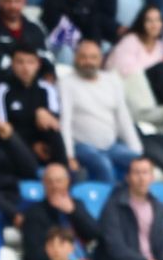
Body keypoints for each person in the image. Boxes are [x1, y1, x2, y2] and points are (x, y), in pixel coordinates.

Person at [59, 38, 140, 183]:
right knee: (103, 165)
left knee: (139, 165)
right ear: (75, 58)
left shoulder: (112, 81)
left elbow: (123, 118)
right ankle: (111, 204)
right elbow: (64, 122)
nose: (88, 61)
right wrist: (68, 156)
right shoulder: (66, 83)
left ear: (101, 59)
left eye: (93, 57)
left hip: (111, 145)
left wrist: (137, 151)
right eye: (83, 57)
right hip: (82, 146)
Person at [20, 162, 99, 260]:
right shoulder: (34, 213)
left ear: (67, 182)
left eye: (59, 181)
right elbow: (34, 254)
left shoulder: (76, 205)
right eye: (50, 182)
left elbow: (94, 234)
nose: (55, 186)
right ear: (43, 184)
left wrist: (73, 212)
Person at [0, 43, 65, 168]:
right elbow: (3, 127)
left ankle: (63, 170)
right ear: (12, 65)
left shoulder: (47, 89)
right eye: (20, 62)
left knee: (49, 122)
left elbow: (54, 121)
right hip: (17, 148)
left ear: (38, 65)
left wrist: (42, 113)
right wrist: (32, 145)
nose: (25, 68)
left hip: (44, 145)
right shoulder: (2, 91)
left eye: (30, 62)